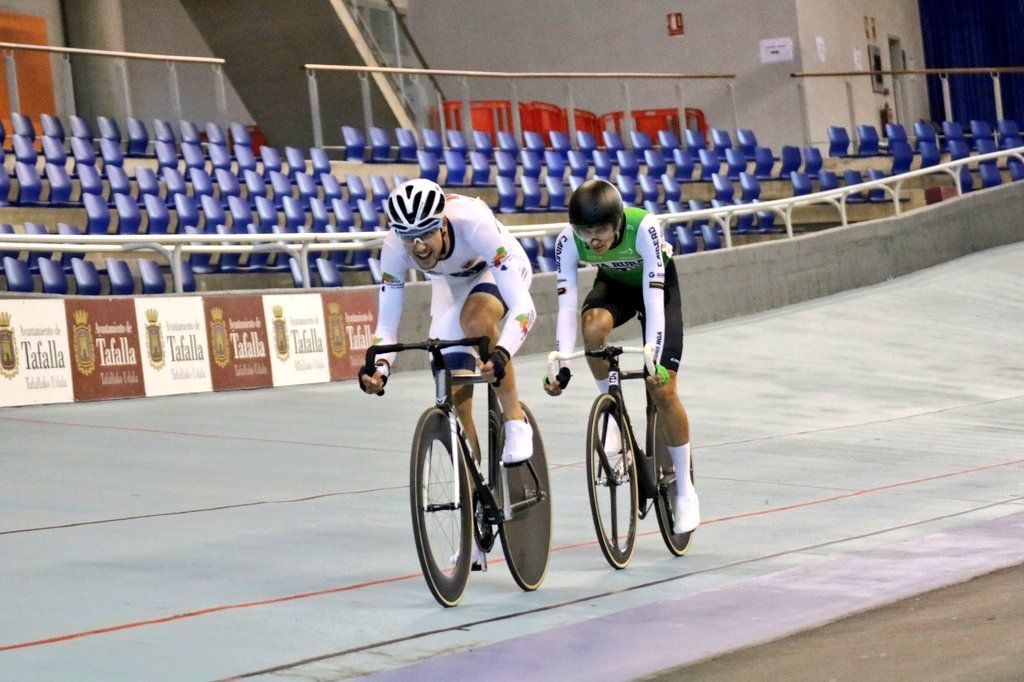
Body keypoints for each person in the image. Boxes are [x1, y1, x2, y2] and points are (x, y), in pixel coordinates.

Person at [543, 178, 699, 534]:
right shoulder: (568, 241)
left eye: (600, 230)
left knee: (662, 389)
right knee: (593, 327)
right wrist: (562, 366)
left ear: (617, 224)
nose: (593, 240)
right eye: (585, 231)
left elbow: (655, 300)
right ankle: (611, 413)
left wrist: (654, 359)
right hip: (614, 287)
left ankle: (686, 490)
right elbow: (567, 309)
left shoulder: (643, 228)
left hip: (657, 290)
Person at [360, 178, 536, 464]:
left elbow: (523, 307)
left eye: (426, 234)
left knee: (476, 320)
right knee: (451, 386)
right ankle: (472, 483)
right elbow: (386, 328)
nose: (419, 247)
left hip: (500, 267)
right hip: (450, 284)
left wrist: (502, 352)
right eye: (409, 237)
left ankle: (515, 420)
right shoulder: (393, 249)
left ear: (442, 224)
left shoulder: (473, 221)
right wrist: (380, 368)